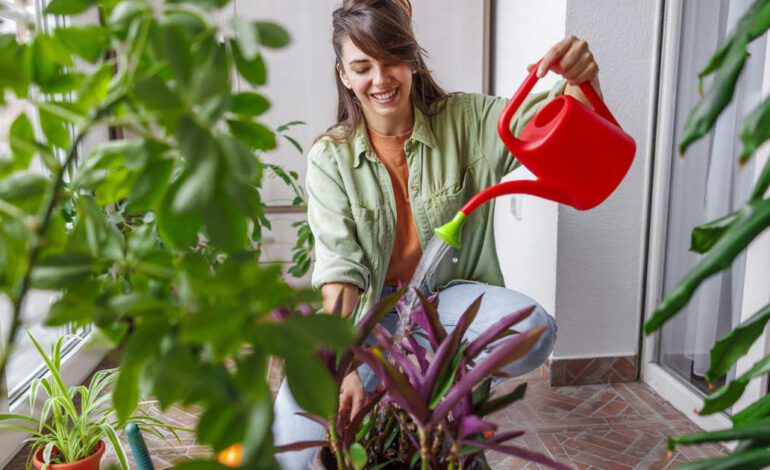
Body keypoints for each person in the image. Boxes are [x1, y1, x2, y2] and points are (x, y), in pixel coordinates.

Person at [273, 0, 602, 467]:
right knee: (293, 430)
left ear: (411, 60)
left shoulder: (468, 120)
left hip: (446, 306)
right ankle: (416, 399)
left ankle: (438, 400)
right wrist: (340, 363)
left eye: (392, 60)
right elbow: (340, 269)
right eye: (363, 66)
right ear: (344, 76)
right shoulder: (331, 158)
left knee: (534, 328)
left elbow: (565, 130)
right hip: (369, 318)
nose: (381, 79)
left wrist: (580, 79)